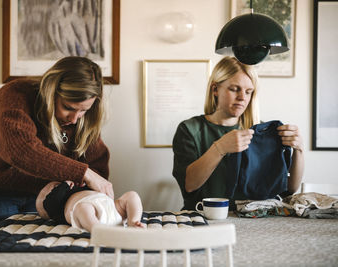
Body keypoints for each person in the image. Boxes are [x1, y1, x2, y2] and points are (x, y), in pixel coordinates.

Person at [0, 57, 113, 232]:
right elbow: (20, 150)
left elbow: (97, 167)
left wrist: (75, 187)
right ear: (51, 92)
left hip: (44, 197)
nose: (74, 119)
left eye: (83, 110)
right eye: (68, 107)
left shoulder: (84, 121)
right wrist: (84, 173)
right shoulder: (15, 94)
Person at [172, 56, 304, 210]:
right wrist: (219, 148)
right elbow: (189, 185)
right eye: (234, 89)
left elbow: (290, 188)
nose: (242, 98)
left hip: (253, 219)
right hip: (204, 217)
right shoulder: (189, 129)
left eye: (248, 92)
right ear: (215, 89)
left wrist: (299, 149)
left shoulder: (261, 132)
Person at [36, 181, 144, 232]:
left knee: (131, 195)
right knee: (82, 208)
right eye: (55, 187)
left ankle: (133, 222)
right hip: (91, 214)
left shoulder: (78, 189)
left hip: (112, 209)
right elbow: (50, 202)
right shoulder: (51, 204)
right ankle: (99, 230)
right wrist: (64, 185)